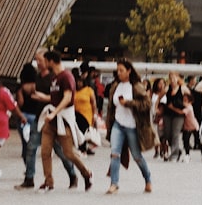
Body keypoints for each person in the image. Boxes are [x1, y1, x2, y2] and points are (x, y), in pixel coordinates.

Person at [15, 48, 78, 190]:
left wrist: (45, 98)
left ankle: (73, 175)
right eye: (36, 60)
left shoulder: (55, 76)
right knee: (31, 147)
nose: (37, 63)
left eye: (40, 60)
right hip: (40, 117)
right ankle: (29, 178)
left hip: (54, 119)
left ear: (48, 60)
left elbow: (61, 96)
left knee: (60, 151)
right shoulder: (38, 77)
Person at [38, 51, 93, 192]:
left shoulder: (66, 77)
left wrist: (54, 113)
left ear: (51, 61)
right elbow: (55, 98)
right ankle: (48, 181)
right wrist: (41, 98)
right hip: (51, 122)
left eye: (44, 61)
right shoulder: (54, 78)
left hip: (63, 120)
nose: (43, 64)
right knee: (45, 151)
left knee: (68, 153)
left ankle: (86, 173)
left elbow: (67, 98)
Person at [104, 59, 154, 195]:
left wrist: (129, 103)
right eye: (118, 70)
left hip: (133, 126)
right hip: (118, 124)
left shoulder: (136, 86)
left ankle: (148, 179)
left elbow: (147, 104)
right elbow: (111, 106)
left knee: (137, 156)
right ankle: (114, 183)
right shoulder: (116, 86)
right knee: (115, 153)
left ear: (129, 71)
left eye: (121, 70)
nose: (119, 73)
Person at [160, 72, 188, 161]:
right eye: (170, 78)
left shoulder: (183, 88)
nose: (172, 80)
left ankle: (174, 155)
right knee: (167, 134)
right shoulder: (167, 88)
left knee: (175, 134)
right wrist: (157, 107)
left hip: (179, 115)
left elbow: (190, 98)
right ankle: (177, 150)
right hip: (168, 114)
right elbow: (158, 97)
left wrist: (186, 107)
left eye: (174, 78)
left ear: (177, 79)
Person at [73, 72, 98, 155]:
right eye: (77, 81)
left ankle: (83, 148)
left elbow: (93, 103)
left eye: (80, 81)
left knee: (85, 131)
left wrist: (95, 114)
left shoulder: (88, 90)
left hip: (87, 114)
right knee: (78, 131)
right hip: (76, 114)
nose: (78, 83)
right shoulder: (74, 91)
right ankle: (82, 147)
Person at [179, 92, 202, 161]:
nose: (184, 101)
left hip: (194, 126)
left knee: (197, 140)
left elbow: (181, 112)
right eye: (183, 100)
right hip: (187, 127)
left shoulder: (189, 107)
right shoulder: (185, 107)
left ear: (190, 101)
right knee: (185, 140)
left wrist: (173, 108)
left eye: (186, 100)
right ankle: (187, 155)